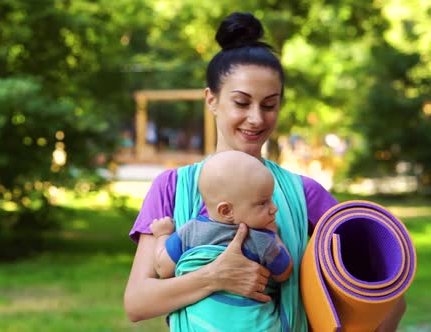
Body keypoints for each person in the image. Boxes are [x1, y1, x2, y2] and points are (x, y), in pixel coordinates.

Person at [123, 11, 406, 331]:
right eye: (242, 103)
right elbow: (137, 302)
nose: (256, 118)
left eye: (269, 105)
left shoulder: (304, 194)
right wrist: (216, 276)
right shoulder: (172, 187)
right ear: (212, 100)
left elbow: (388, 298)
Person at [150, 150, 293, 331]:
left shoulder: (190, 232)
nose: (274, 208)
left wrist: (162, 234)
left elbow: (163, 268)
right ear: (226, 211)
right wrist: (275, 236)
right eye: (263, 203)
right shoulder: (262, 240)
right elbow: (285, 271)